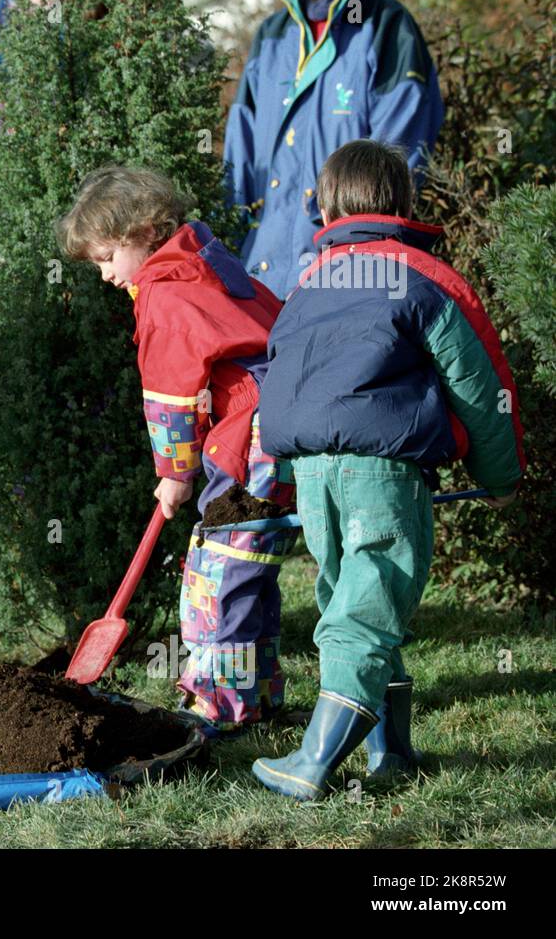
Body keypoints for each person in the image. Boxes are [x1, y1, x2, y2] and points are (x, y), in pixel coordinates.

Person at [253, 139, 525, 799]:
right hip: (383, 465)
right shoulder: (424, 276)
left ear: (329, 207)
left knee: (347, 592)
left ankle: (393, 753)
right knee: (369, 606)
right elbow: (479, 382)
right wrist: (500, 473)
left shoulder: (312, 282)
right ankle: (314, 763)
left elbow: (281, 371)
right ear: (403, 201)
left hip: (314, 468)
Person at [58, 166, 296, 737]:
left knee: (215, 577)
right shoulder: (208, 263)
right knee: (249, 569)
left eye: (107, 256)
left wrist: (175, 472)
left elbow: (171, 398)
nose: (105, 274)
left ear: (141, 230)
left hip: (250, 442)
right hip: (282, 428)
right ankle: (257, 697)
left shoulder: (165, 295)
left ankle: (220, 707)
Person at [224, 0, 444, 300]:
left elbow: (396, 163)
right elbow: (239, 160)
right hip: (259, 279)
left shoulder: (388, 26)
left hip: (343, 277)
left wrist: (343, 237)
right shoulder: (271, 35)